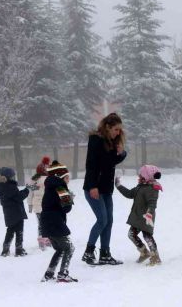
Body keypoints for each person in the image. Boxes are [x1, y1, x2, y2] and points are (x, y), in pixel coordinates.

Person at [81, 113, 127, 265]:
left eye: (119, 130)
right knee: (102, 219)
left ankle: (105, 254)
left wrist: (121, 153)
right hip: (93, 188)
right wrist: (93, 186)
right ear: (107, 127)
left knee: (109, 220)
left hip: (106, 189)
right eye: (115, 129)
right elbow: (91, 165)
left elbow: (110, 162)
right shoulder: (96, 140)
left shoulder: (111, 142)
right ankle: (88, 252)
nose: (118, 132)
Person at [115, 165, 163, 266]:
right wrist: (119, 186)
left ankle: (155, 257)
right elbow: (129, 194)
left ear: (146, 176)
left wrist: (149, 213)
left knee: (147, 236)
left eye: (141, 175)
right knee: (131, 234)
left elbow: (152, 203)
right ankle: (144, 252)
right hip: (137, 217)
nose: (139, 177)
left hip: (146, 217)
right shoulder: (140, 187)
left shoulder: (152, 188)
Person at [41, 162, 78, 283]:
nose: (68, 180)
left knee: (60, 249)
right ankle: (63, 274)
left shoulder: (49, 186)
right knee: (69, 248)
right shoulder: (61, 187)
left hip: (46, 221)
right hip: (56, 221)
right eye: (67, 177)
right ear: (60, 176)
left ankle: (49, 273)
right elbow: (67, 208)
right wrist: (70, 199)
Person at [0, 167, 36, 257]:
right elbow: (19, 197)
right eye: (12, 176)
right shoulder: (9, 186)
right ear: (8, 177)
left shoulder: (1, 185)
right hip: (16, 212)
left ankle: (5, 250)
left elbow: (14, 195)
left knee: (10, 231)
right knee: (19, 231)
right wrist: (27, 190)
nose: (14, 178)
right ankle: (19, 249)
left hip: (9, 213)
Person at [29, 169, 50, 251]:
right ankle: (48, 241)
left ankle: (41, 242)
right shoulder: (49, 179)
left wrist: (30, 205)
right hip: (47, 205)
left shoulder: (33, 180)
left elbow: (30, 194)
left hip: (37, 206)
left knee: (40, 225)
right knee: (48, 223)